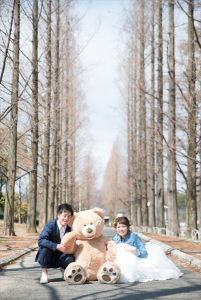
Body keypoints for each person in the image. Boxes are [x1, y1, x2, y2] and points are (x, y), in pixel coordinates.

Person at [112, 216, 182, 283]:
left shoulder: (134, 237)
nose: (121, 229)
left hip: (136, 261)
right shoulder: (116, 238)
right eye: (118, 227)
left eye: (123, 226)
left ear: (128, 227)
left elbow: (144, 253)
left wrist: (131, 250)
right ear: (115, 228)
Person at [35, 203, 75, 284]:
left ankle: (64, 270)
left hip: (61, 255)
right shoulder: (50, 226)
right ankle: (44, 273)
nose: (66, 218)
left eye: (69, 216)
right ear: (58, 215)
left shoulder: (70, 228)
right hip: (48, 256)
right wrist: (56, 246)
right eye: (64, 215)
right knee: (44, 249)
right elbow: (41, 241)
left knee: (71, 258)